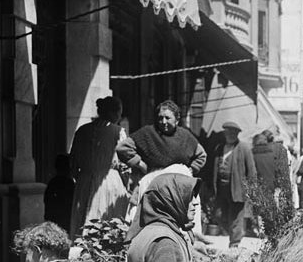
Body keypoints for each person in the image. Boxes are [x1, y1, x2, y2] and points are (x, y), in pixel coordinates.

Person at [117, 99, 207, 219]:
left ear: (177, 119)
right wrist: (139, 163)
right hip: (154, 184)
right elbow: (123, 148)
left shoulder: (186, 136)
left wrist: (190, 170)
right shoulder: (147, 133)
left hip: (180, 186)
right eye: (160, 118)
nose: (163, 122)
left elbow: (201, 155)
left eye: (167, 118)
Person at [69, 96, 130, 237]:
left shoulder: (82, 130)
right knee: (109, 223)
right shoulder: (118, 132)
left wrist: (83, 177)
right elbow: (125, 163)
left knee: (84, 223)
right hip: (109, 183)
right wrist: (126, 183)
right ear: (114, 113)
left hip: (84, 182)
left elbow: (73, 162)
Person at [211, 121, 257, 248]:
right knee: (219, 215)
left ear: (237, 134)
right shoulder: (219, 148)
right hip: (221, 189)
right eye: (228, 132)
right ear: (224, 133)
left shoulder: (244, 148)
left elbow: (252, 171)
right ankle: (235, 233)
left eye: (233, 133)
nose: (230, 135)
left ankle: (234, 243)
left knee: (236, 217)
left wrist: (250, 189)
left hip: (237, 189)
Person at [252, 129, 289, 196]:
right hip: (271, 186)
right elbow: (279, 170)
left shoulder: (251, 154)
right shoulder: (273, 154)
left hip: (255, 187)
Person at [44, 154, 76, 233]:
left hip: (55, 218)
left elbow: (46, 201)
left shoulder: (52, 182)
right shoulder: (69, 183)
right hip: (65, 218)